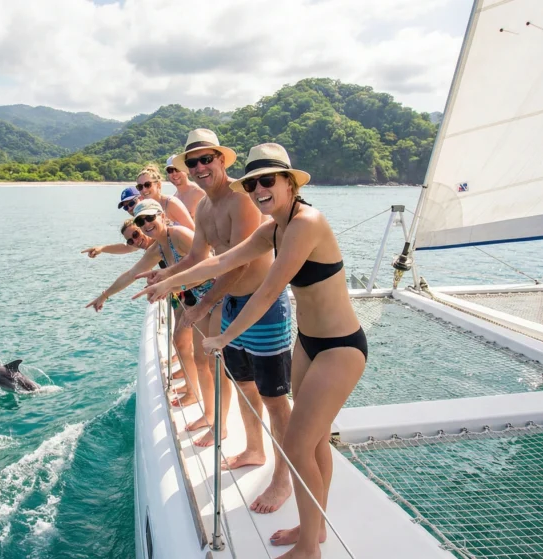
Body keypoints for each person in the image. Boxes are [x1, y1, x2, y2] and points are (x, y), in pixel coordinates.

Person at [136, 143, 366, 558]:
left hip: (340, 347)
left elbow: (269, 289)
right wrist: (169, 282)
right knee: (313, 444)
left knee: (296, 446)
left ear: (290, 183)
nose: (259, 188)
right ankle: (313, 530)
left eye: (268, 180)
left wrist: (224, 336)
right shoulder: (272, 228)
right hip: (309, 344)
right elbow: (217, 263)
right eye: (254, 182)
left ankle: (309, 550)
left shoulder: (306, 222)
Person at [135, 129, 293, 515]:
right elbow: (195, 259)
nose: (200, 167)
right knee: (243, 385)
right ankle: (254, 450)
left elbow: (240, 261)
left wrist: (203, 302)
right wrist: (166, 278)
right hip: (235, 305)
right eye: (193, 162)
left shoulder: (243, 201)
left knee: (275, 399)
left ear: (222, 160)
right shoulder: (205, 208)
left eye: (207, 159)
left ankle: (284, 478)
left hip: (264, 307)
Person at [86, 200, 214, 412]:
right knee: (188, 348)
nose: (145, 225)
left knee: (209, 359)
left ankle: (209, 412)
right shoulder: (157, 249)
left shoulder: (178, 234)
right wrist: (104, 295)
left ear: (162, 216)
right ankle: (196, 396)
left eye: (149, 219)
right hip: (193, 297)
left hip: (213, 296)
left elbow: (206, 260)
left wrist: (169, 282)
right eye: (141, 221)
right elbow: (131, 274)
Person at [81, 186, 143, 258]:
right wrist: (101, 249)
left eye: (131, 203)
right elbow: (130, 247)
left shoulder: (154, 218)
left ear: (141, 198)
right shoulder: (140, 223)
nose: (129, 208)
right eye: (125, 207)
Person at [135, 164, 195, 230]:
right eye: (140, 187)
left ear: (158, 185)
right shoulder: (146, 209)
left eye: (147, 185)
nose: (144, 190)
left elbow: (193, 231)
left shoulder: (171, 203)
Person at [165, 154, 205, 220]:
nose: (174, 173)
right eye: (170, 170)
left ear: (186, 169)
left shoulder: (199, 193)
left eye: (177, 169)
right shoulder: (174, 198)